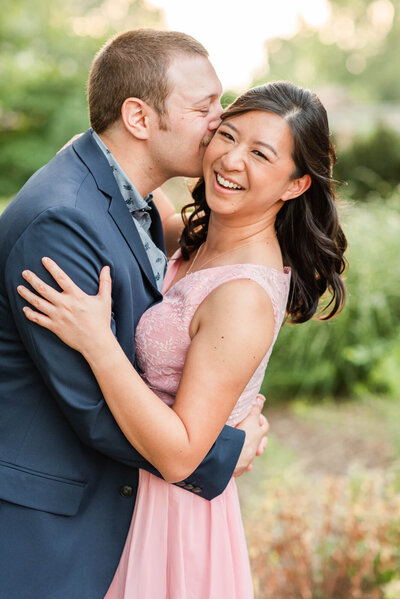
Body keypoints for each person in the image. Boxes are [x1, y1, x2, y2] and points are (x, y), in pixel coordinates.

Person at [18, 80, 347, 598]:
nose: (231, 160)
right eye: (227, 135)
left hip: (170, 515)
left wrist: (98, 342)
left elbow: (180, 456)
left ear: (295, 185)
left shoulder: (242, 295)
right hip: (121, 494)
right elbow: (107, 162)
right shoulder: (188, 235)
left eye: (260, 154)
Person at [0, 29, 268, 599]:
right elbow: (91, 406)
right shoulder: (62, 220)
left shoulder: (127, 196)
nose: (220, 124)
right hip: (45, 532)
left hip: (113, 511)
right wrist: (219, 450)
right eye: (205, 109)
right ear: (139, 118)